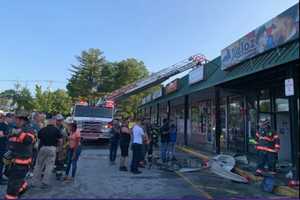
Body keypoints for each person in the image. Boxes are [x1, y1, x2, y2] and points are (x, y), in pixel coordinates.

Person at [3, 111, 36, 200]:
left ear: (22, 120)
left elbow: (29, 140)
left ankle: (11, 197)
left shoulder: (29, 129)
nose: (14, 120)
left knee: (12, 186)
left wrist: (19, 133)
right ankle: (22, 187)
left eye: (16, 119)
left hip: (22, 163)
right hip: (12, 162)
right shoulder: (14, 128)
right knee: (13, 180)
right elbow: (10, 139)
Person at [32, 115, 62, 189]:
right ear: (54, 122)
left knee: (38, 165)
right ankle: (45, 183)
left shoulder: (42, 130)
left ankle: (34, 182)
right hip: (52, 149)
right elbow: (60, 140)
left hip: (43, 148)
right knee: (49, 166)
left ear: (48, 122)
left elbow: (38, 139)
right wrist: (59, 148)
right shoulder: (56, 130)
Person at [55, 114, 68, 180]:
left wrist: (65, 147)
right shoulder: (54, 127)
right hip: (55, 147)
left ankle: (59, 174)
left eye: (60, 120)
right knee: (55, 160)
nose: (59, 122)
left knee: (60, 161)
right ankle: (56, 171)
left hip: (62, 147)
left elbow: (68, 139)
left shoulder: (65, 128)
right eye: (58, 120)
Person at [0, 112, 9, 185]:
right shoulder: (3, 125)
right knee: (1, 164)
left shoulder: (4, 125)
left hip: (3, 146)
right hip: (2, 147)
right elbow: (2, 135)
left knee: (2, 164)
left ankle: (1, 177)